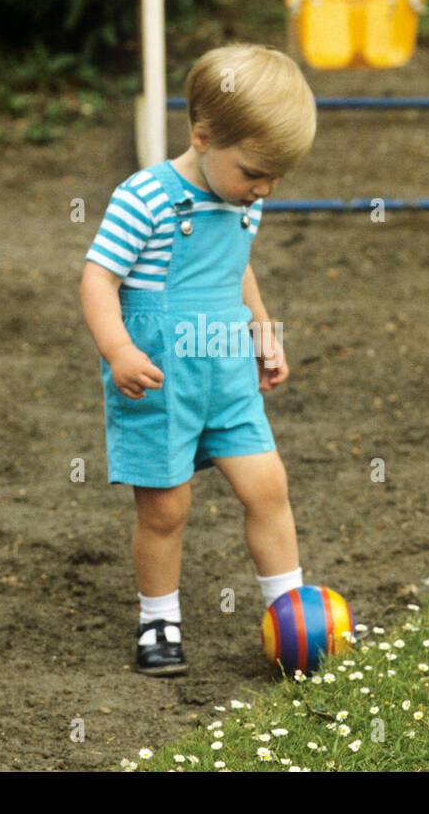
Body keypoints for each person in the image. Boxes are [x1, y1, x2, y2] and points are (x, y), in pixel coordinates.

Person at [79, 42, 317, 676]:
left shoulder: (245, 199)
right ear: (204, 136)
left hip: (228, 372)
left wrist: (264, 330)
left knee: (269, 487)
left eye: (275, 177)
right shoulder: (145, 197)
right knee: (166, 509)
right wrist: (118, 349)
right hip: (158, 380)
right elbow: (98, 278)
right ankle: (159, 620)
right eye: (255, 172)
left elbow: (237, 271)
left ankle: (290, 617)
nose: (263, 188)